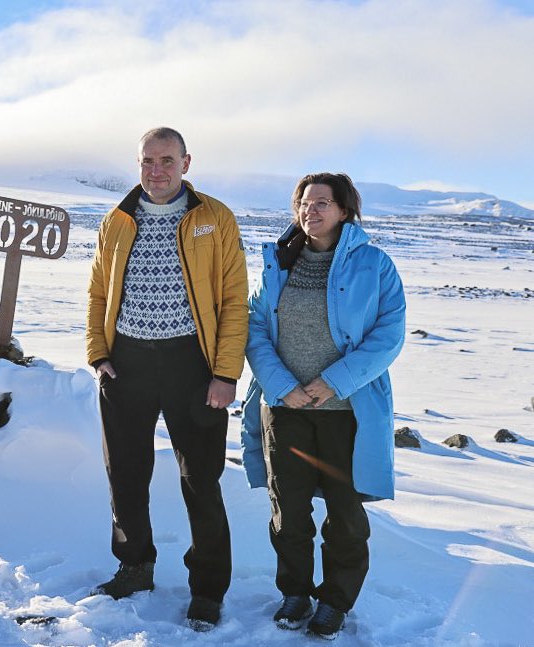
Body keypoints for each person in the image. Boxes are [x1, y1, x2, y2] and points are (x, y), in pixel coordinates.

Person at [86, 127, 249, 629]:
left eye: (166, 160)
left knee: (201, 479)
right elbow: (96, 293)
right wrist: (98, 354)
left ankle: (207, 589)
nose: (156, 170)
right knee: (126, 475)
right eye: (147, 161)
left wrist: (224, 373)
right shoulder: (118, 220)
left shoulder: (213, 217)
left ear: (186, 162)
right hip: (127, 363)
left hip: (192, 366)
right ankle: (134, 565)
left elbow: (234, 301)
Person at [241, 172, 405, 640]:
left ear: (345, 211)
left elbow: (389, 335)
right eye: (304, 203)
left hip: (346, 415)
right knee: (288, 509)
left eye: (322, 204)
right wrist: (281, 386)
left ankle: (335, 600)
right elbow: (256, 329)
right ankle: (294, 591)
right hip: (286, 409)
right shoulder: (278, 262)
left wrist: (333, 383)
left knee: (345, 515)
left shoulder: (374, 265)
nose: (311, 212)